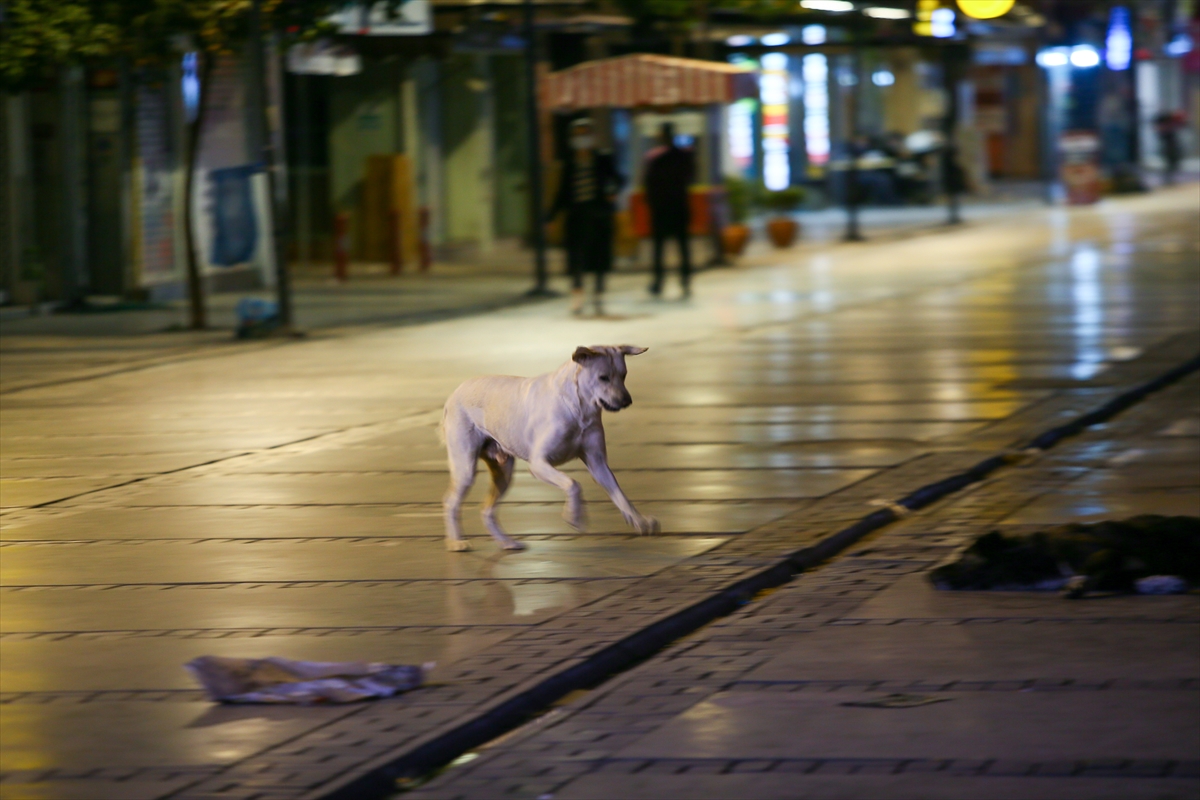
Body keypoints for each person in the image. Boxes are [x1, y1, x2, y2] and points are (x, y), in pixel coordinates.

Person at [548, 118, 624, 316]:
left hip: (599, 215)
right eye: (578, 135)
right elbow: (563, 193)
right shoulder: (570, 163)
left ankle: (599, 294)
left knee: (600, 257)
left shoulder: (602, 158)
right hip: (577, 216)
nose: (582, 139)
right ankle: (577, 295)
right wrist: (550, 216)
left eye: (585, 135)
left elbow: (619, 178)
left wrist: (612, 190)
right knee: (576, 258)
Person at [643, 122, 695, 298]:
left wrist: (652, 204)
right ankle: (685, 280)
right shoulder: (683, 157)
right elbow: (689, 177)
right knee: (682, 247)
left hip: (662, 210)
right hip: (678, 207)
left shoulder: (656, 159)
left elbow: (649, 184)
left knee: (660, 248)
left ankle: (659, 282)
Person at [1153, 110, 1185, 185]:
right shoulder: (1166, 125)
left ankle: (1169, 178)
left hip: (1171, 146)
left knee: (1172, 162)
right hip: (1169, 146)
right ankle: (1167, 179)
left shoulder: (1169, 126)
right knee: (1170, 162)